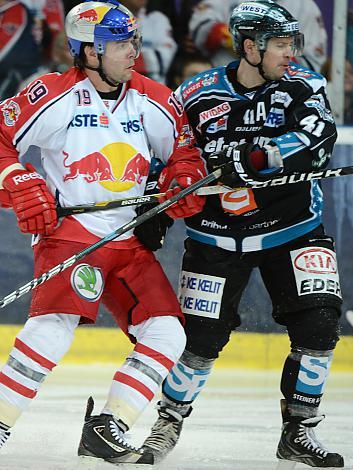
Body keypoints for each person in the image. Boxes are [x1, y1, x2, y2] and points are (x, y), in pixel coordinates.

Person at [138, 1, 345, 468]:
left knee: (319, 325)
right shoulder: (193, 95)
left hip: (293, 230)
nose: (292, 51)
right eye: (281, 43)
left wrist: (255, 159)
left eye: (294, 42)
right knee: (200, 341)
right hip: (215, 238)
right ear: (250, 47)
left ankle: (299, 429)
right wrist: (157, 203)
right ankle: (167, 422)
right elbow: (164, 157)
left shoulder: (305, 85)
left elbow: (319, 136)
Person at [0, 0, 207, 466]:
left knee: (168, 332)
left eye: (133, 39)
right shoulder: (51, 95)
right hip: (71, 232)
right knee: (53, 328)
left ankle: (107, 427)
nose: (134, 50)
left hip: (129, 237)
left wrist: (181, 182)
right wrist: (15, 178)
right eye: (120, 42)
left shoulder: (153, 95)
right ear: (89, 51)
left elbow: (184, 153)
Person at [189, 0, 327, 71]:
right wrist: (232, 39)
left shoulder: (305, 6)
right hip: (224, 86)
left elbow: (311, 63)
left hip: (280, 93)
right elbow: (201, 29)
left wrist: (267, 53)